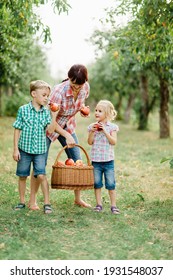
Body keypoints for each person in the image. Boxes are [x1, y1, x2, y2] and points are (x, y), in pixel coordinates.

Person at [30, 64, 91, 208]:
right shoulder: (58, 91)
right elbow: (51, 121)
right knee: (40, 164)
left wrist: (82, 110)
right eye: (74, 85)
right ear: (69, 78)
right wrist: (66, 135)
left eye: (80, 86)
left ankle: (78, 199)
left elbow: (80, 103)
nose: (77, 89)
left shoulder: (85, 87)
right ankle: (32, 200)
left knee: (78, 161)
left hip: (68, 124)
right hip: (49, 127)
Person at [13, 80, 57, 214]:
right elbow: (17, 129)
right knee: (22, 175)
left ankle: (47, 203)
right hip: (24, 150)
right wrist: (15, 149)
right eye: (44, 95)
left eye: (47, 96)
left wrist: (54, 115)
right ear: (33, 94)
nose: (46, 98)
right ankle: (21, 201)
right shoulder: (23, 110)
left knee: (41, 175)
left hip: (40, 151)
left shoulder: (45, 112)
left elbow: (50, 130)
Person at [87, 100, 120, 214]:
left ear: (107, 113)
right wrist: (92, 132)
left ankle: (114, 205)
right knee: (97, 183)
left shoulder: (112, 127)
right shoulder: (92, 126)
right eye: (96, 110)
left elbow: (113, 142)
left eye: (100, 111)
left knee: (111, 184)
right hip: (96, 161)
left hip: (108, 161)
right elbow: (90, 142)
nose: (96, 112)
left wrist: (105, 131)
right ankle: (98, 204)